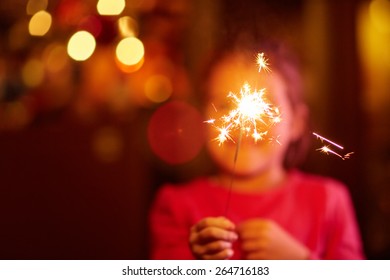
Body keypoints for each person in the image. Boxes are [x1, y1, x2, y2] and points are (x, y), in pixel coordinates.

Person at [148, 39, 365, 260]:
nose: (243, 123)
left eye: (267, 105)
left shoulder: (329, 201)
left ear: (296, 122)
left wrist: (300, 263)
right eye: (224, 105)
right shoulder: (176, 206)